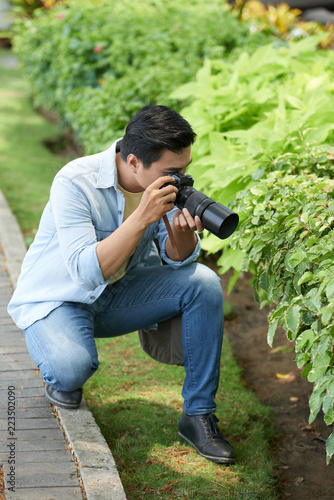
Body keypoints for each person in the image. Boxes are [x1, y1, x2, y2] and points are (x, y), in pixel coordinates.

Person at [7, 105, 235, 464]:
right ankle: (62, 357)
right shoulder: (74, 182)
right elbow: (85, 273)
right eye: (172, 172)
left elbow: (179, 260)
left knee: (202, 282)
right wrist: (143, 216)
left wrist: (180, 235)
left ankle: (198, 415)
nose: (180, 179)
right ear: (133, 162)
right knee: (70, 369)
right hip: (58, 299)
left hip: (117, 293)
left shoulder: (162, 185)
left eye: (185, 170)